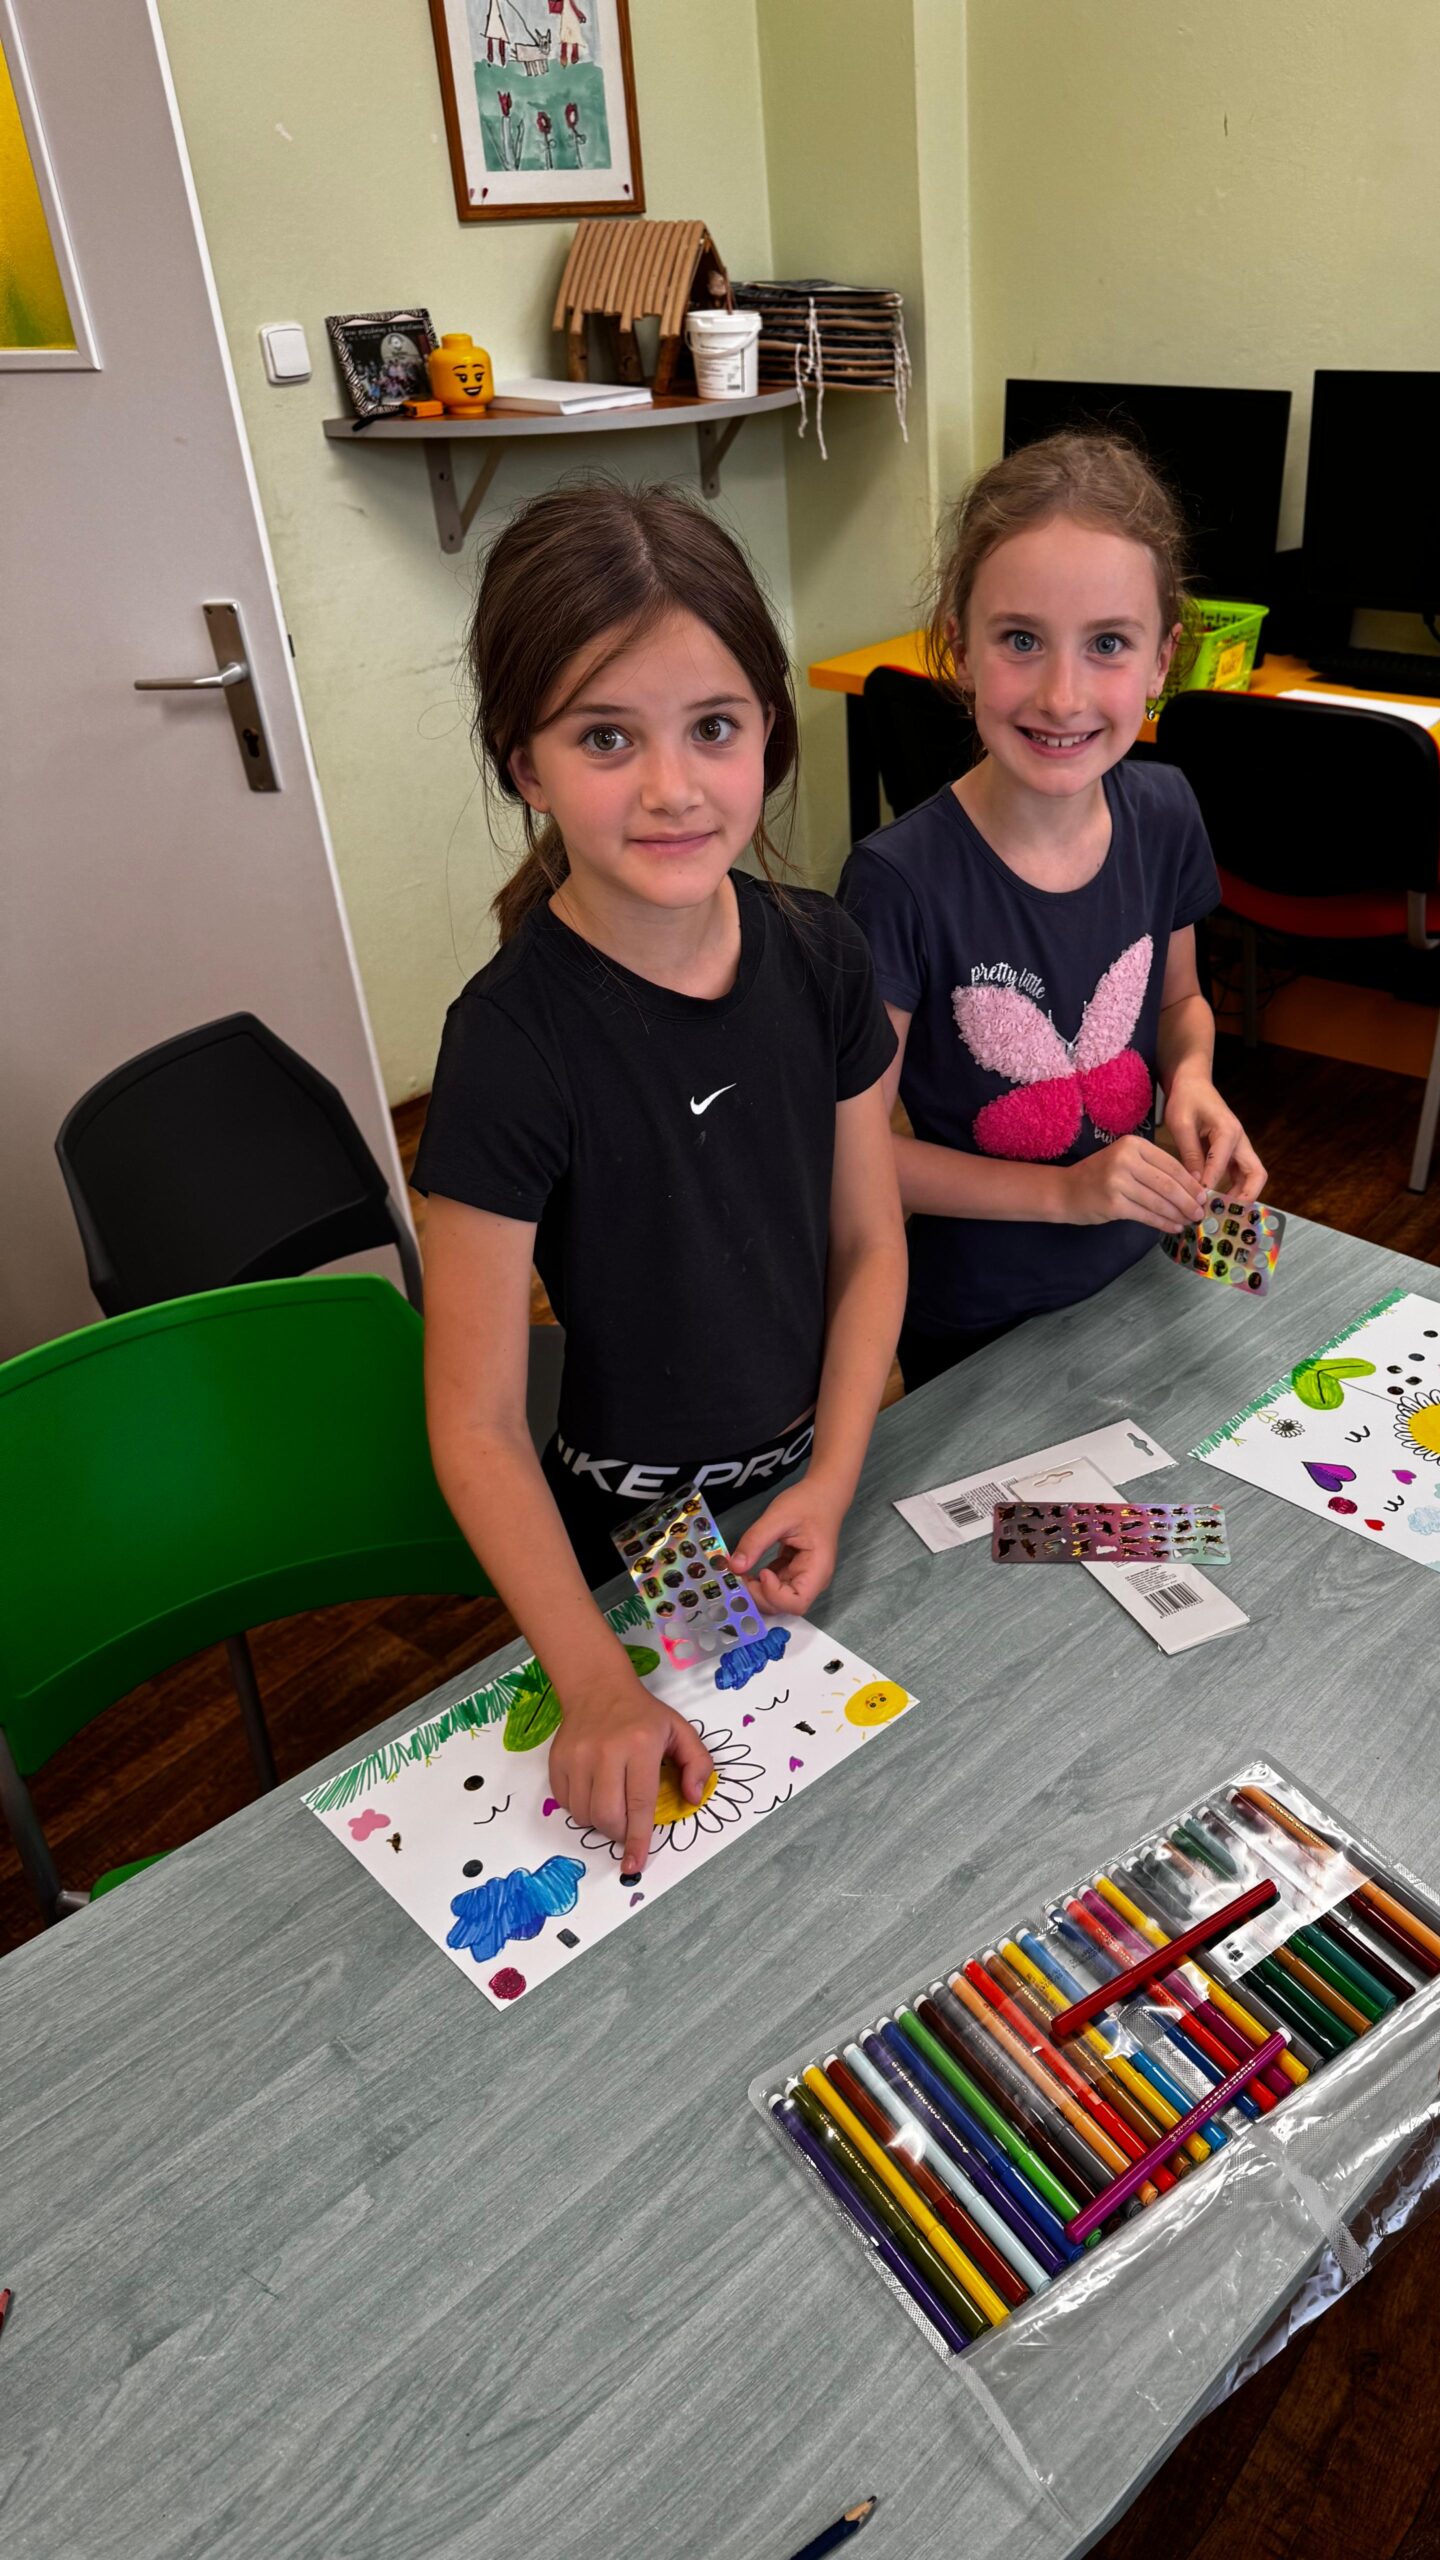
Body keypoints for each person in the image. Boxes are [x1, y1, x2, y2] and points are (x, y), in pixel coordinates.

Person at [413, 479, 905, 1874]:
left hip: (817, 1482)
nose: (674, 788)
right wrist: (592, 1679)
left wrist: (834, 1475)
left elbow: (871, 1245)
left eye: (715, 728)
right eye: (606, 737)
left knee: (882, 1829)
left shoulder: (822, 953)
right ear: (525, 764)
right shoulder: (510, 1044)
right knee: (725, 1862)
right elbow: (476, 1424)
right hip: (639, 1537)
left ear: (769, 735)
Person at [839, 431, 1266, 1390]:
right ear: (960, 648)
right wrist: (1068, 1194)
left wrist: (1193, 1081)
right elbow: (851, 1160)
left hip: (1146, 1262)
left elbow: (1178, 1003)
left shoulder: (1166, 810)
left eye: (1107, 644)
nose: (1063, 695)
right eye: (1021, 640)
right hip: (980, 1320)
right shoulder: (896, 881)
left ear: (1163, 661)